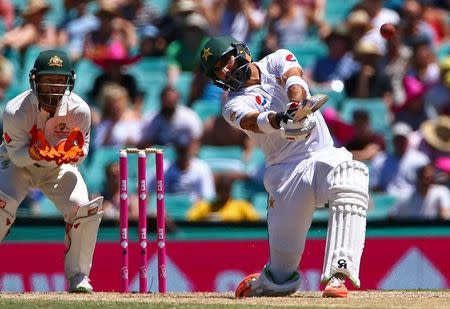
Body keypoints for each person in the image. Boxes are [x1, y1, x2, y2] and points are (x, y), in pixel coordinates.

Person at [199, 36, 369, 298]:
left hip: (321, 155)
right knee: (282, 277)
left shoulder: (276, 59)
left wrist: (294, 106)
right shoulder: (231, 104)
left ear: (241, 51)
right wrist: (280, 120)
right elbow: (252, 121)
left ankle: (338, 274)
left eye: (225, 62)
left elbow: (294, 80)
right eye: (218, 71)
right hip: (285, 173)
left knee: (351, 175)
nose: (225, 71)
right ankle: (266, 282)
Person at [0, 50, 103, 293]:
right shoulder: (16, 110)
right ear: (35, 80)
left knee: (84, 209)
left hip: (57, 167)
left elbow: (84, 149)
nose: (54, 87)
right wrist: (34, 154)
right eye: (48, 80)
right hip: (18, 164)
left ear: (70, 81)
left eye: (59, 80)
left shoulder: (80, 110)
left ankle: (79, 277)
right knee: (2, 204)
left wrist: (71, 154)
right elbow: (16, 154)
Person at [186, 174, 260, 222]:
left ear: (230, 189)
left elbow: (256, 223)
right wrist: (205, 219)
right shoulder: (205, 206)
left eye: (226, 188)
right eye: (220, 188)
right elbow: (189, 219)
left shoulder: (242, 206)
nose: (223, 192)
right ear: (216, 189)